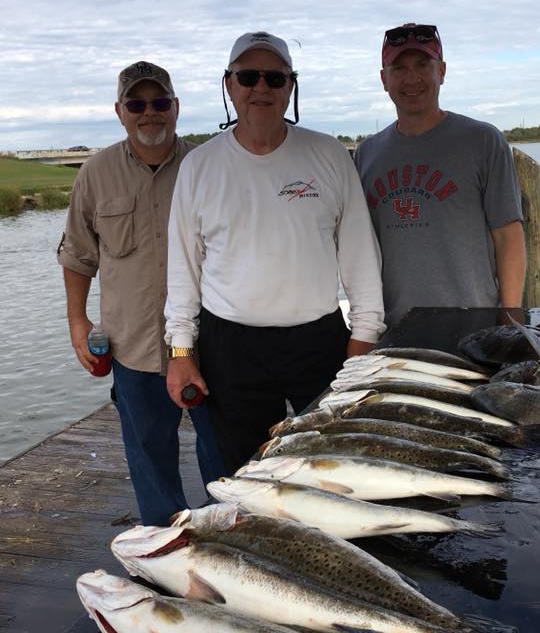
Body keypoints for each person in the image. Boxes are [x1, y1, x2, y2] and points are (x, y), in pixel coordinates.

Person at [164, 31, 386, 475]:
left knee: (335, 464)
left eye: (274, 77)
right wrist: (181, 352)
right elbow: (183, 268)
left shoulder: (328, 154)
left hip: (319, 340)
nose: (260, 87)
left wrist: (364, 337)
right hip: (231, 344)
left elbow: (361, 255)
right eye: (248, 76)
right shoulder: (199, 167)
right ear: (229, 85)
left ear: (291, 85)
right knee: (246, 472)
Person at [57, 60, 223, 525]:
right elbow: (77, 255)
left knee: (225, 460)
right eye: (137, 103)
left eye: (159, 102)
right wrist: (77, 321)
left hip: (211, 345)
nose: (149, 112)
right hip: (134, 350)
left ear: (176, 107)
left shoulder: (209, 165)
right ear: (120, 111)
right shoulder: (95, 173)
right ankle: (164, 549)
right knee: (149, 461)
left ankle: (230, 548)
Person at [354, 23, 526, 328]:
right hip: (395, 330)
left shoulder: (484, 141)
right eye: (399, 68)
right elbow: (360, 249)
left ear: (442, 71)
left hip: (474, 326)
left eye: (423, 65)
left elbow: (508, 235)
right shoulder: (366, 154)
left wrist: (511, 317)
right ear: (384, 79)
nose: (411, 78)